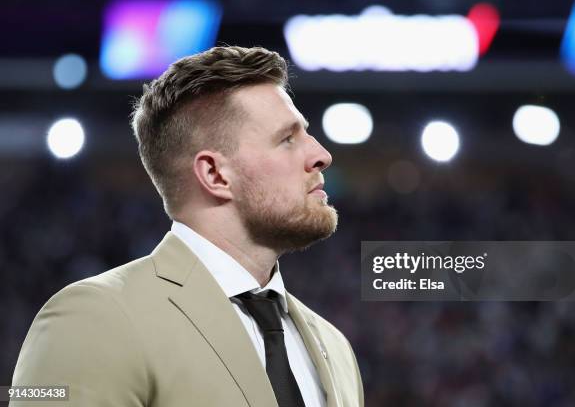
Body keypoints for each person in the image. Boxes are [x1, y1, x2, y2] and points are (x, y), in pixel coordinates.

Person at [11, 46, 364, 407]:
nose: (321, 154)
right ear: (214, 174)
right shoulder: (91, 319)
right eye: (287, 139)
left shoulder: (334, 346)